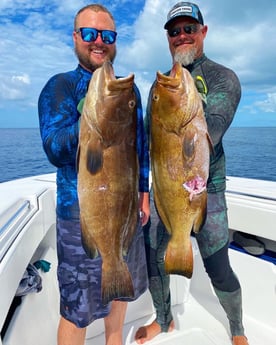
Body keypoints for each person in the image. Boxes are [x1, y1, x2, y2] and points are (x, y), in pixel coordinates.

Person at [135, 2, 249, 345]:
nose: (182, 35)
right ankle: (164, 318)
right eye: (174, 31)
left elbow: (211, 130)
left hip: (208, 190)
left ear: (203, 32)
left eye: (189, 28)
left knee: (218, 266)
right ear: (168, 38)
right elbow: (146, 146)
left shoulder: (222, 77)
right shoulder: (159, 89)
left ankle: (238, 328)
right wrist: (144, 191)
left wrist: (180, 110)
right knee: (154, 255)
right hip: (165, 189)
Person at [38, 4, 150, 345]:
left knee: (117, 292)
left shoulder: (128, 91)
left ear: (115, 41)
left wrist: (143, 195)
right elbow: (55, 149)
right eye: (89, 33)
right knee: (78, 310)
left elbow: (140, 150)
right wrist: (92, 120)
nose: (98, 41)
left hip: (126, 208)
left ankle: (114, 341)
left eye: (107, 35)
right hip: (80, 216)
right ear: (76, 38)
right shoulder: (60, 87)